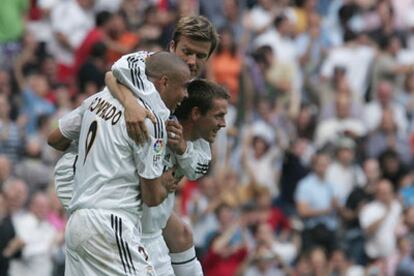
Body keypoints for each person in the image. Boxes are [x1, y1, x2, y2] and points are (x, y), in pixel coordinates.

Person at [48, 52, 191, 275]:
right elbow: (152, 197)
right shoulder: (150, 120)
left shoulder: (99, 99)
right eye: (183, 87)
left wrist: (97, 153)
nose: (185, 94)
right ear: (164, 82)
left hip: (77, 222)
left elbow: (55, 138)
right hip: (111, 224)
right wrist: (170, 178)